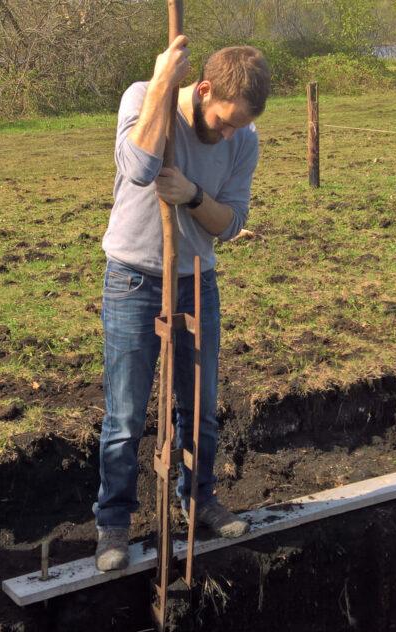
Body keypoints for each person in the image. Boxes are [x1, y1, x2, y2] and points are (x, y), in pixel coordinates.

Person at [94, 35, 271, 571]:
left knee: (200, 410)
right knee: (125, 415)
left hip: (197, 279)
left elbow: (231, 223)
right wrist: (161, 86)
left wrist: (192, 196)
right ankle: (113, 524)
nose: (228, 134)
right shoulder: (143, 96)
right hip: (132, 279)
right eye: (224, 121)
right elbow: (138, 167)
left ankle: (199, 499)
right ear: (204, 89)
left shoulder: (244, 139)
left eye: (239, 126)